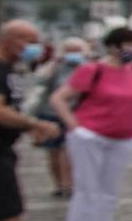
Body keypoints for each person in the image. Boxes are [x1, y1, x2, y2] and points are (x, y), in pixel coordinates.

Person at [52, 26, 132, 221]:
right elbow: (59, 98)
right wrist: (75, 126)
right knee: (86, 187)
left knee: (109, 189)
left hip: (124, 137)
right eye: (128, 45)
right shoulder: (92, 70)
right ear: (114, 47)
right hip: (91, 135)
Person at [0, 21, 63, 221]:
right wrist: (33, 124)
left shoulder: (9, 69)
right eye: (29, 40)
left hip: (3, 145)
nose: (34, 47)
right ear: (10, 39)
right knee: (8, 209)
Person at [32, 37, 89, 199]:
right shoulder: (56, 67)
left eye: (77, 50)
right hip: (51, 114)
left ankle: (68, 184)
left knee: (68, 150)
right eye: (70, 50)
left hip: (75, 115)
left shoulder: (86, 67)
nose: (74, 54)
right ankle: (58, 184)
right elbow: (40, 81)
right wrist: (52, 63)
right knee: (53, 153)